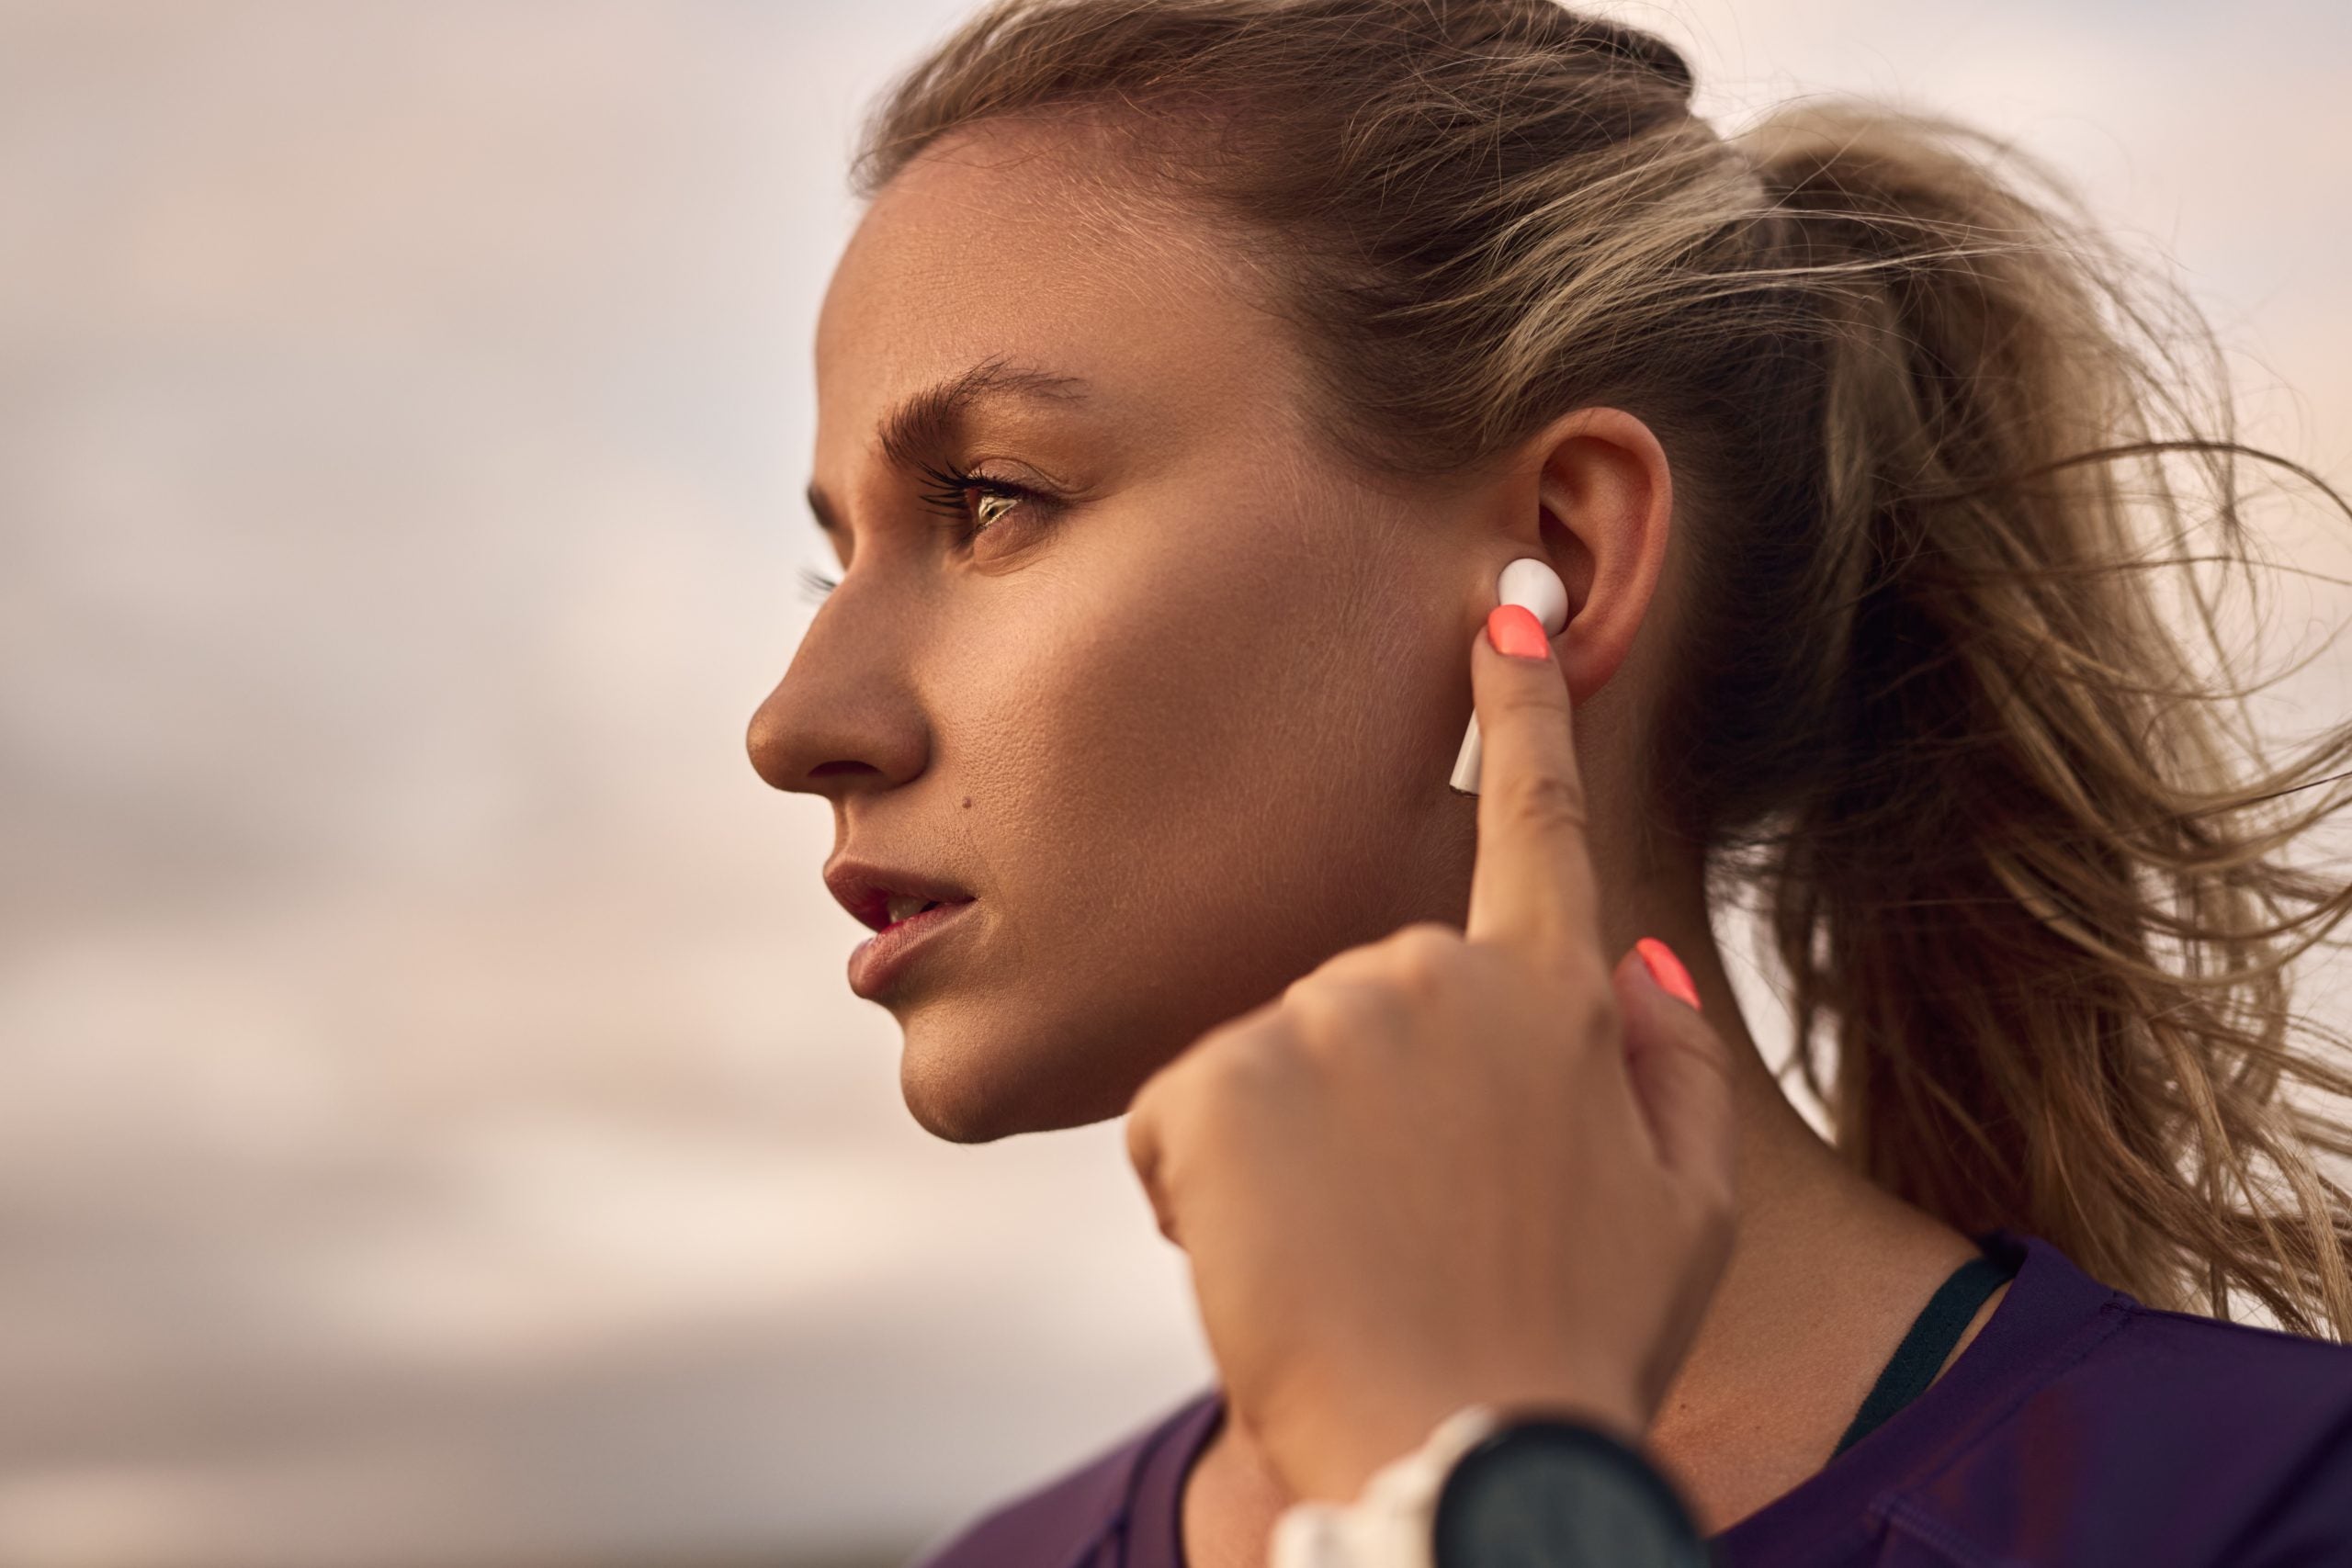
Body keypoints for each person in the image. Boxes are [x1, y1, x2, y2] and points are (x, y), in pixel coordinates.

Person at [744, 1, 2352, 1562]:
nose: (795, 720)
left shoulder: (2277, 1507)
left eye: (987, 500)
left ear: (1563, 557)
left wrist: (1471, 1491)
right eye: (834, 568)